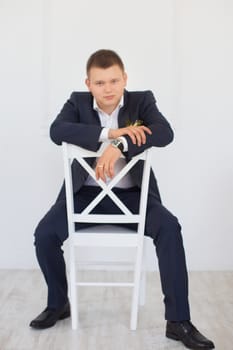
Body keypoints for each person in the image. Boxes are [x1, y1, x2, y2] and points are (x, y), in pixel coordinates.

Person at [30, 49, 215, 349]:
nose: (108, 89)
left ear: (125, 79)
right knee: (45, 235)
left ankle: (178, 321)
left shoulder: (142, 101)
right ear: (88, 83)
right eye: (100, 82)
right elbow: (57, 131)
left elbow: (164, 132)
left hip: (133, 197)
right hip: (84, 195)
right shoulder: (76, 103)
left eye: (114, 80)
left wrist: (120, 143)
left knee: (170, 228)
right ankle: (58, 303)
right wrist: (108, 132)